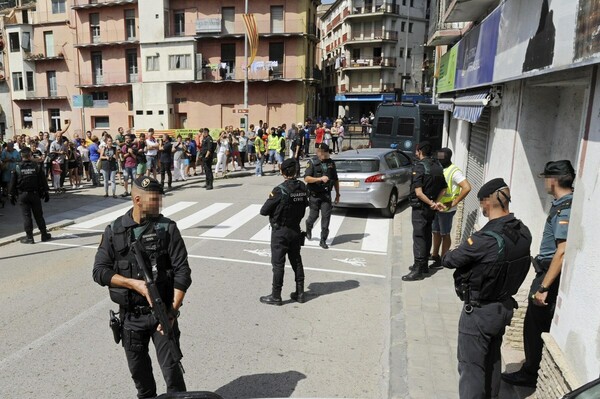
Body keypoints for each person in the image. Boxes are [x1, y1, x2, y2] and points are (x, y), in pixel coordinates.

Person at [92, 176, 192, 398]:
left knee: (173, 375)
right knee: (141, 379)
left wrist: (172, 311)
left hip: (162, 314)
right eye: (154, 200)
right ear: (137, 199)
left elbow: (183, 272)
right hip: (130, 318)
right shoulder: (115, 230)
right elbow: (99, 272)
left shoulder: (167, 229)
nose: (159, 204)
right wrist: (133, 284)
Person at [443, 178, 532, 399]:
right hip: (502, 308)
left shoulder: (484, 239)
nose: (481, 207)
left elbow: (450, 259)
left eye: (481, 203)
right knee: (492, 360)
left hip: (479, 312)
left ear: (487, 202)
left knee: (471, 368)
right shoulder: (523, 231)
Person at [501, 160, 574, 389]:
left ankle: (530, 373)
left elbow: (562, 251)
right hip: (545, 273)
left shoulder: (566, 208)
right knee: (534, 325)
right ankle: (531, 368)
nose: (544, 182)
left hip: (547, 277)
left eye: (546, 178)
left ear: (553, 180)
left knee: (534, 327)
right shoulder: (561, 204)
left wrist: (543, 287)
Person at [259, 158, 309, 305]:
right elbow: (305, 204)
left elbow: (264, 210)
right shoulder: (302, 187)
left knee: (278, 264)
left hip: (280, 231)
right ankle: (300, 293)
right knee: (296, 261)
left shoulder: (280, 190)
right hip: (295, 229)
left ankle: (276, 295)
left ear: (282, 172)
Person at [402, 141, 447, 281]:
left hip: (420, 207)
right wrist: (435, 203)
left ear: (420, 151)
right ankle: (424, 265)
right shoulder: (438, 167)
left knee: (419, 237)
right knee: (427, 234)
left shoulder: (420, 167)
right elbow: (444, 188)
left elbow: (419, 192)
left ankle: (418, 269)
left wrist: (430, 203)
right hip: (430, 208)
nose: (416, 153)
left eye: (417, 150)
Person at [430, 148, 472, 267]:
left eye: (441, 158)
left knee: (445, 233)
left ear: (447, 158)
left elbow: (467, 187)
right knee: (436, 232)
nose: (439, 160)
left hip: (447, 209)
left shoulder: (455, 171)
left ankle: (443, 259)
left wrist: (454, 202)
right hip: (438, 207)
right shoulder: (441, 168)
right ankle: (434, 255)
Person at [8, 147, 52, 244]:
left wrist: (11, 194)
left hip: (23, 195)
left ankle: (29, 237)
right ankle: (44, 234)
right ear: (30, 155)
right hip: (35, 194)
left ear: (21, 156)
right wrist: (46, 192)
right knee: (39, 215)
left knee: (26, 216)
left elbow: (12, 182)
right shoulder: (37, 166)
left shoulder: (17, 167)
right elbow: (43, 180)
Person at [304, 143, 340, 249]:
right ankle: (308, 226)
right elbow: (306, 178)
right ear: (319, 152)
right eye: (325, 153)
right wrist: (319, 179)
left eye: (328, 152)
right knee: (313, 216)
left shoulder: (331, 163)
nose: (327, 155)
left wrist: (338, 194)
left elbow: (336, 179)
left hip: (326, 196)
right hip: (314, 195)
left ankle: (323, 239)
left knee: (326, 218)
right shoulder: (312, 163)